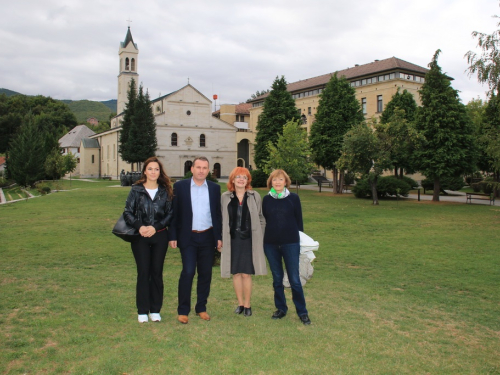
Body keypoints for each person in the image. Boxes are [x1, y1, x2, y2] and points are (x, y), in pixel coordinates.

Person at [169, 156, 222, 324]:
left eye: (204, 168)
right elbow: (174, 213)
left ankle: (201, 308)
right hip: (188, 237)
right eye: (198, 167)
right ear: (191, 169)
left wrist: (218, 237)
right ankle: (183, 310)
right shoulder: (179, 187)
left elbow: (217, 214)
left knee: (205, 273)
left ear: (208, 170)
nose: (201, 170)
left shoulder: (214, 188)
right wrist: (173, 236)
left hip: (207, 236)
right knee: (188, 272)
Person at [123, 156, 173, 323]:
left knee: (156, 273)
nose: (153, 172)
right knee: (144, 272)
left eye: (156, 169)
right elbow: (127, 212)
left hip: (159, 235)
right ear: (145, 171)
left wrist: (156, 226)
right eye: (150, 169)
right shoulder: (136, 190)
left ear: (160, 172)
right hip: (140, 236)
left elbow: (170, 214)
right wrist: (140, 226)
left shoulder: (165, 191)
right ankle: (143, 310)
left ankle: (155, 310)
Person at [262, 169, 311, 325]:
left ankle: (302, 312)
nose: (277, 182)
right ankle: (281, 308)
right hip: (270, 244)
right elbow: (264, 220)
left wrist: (300, 242)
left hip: (291, 243)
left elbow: (299, 221)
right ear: (271, 182)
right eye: (274, 180)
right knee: (277, 279)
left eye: (280, 179)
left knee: (294, 279)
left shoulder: (294, 198)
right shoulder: (266, 200)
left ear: (286, 182)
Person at [220, 167, 266, 317]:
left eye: (244, 177)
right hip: (232, 240)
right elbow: (221, 220)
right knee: (236, 273)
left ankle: (247, 304)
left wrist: (260, 236)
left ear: (248, 181)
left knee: (246, 273)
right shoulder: (225, 197)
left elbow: (261, 218)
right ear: (232, 180)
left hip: (249, 240)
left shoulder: (254, 196)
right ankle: (240, 303)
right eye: (238, 177)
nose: (241, 180)